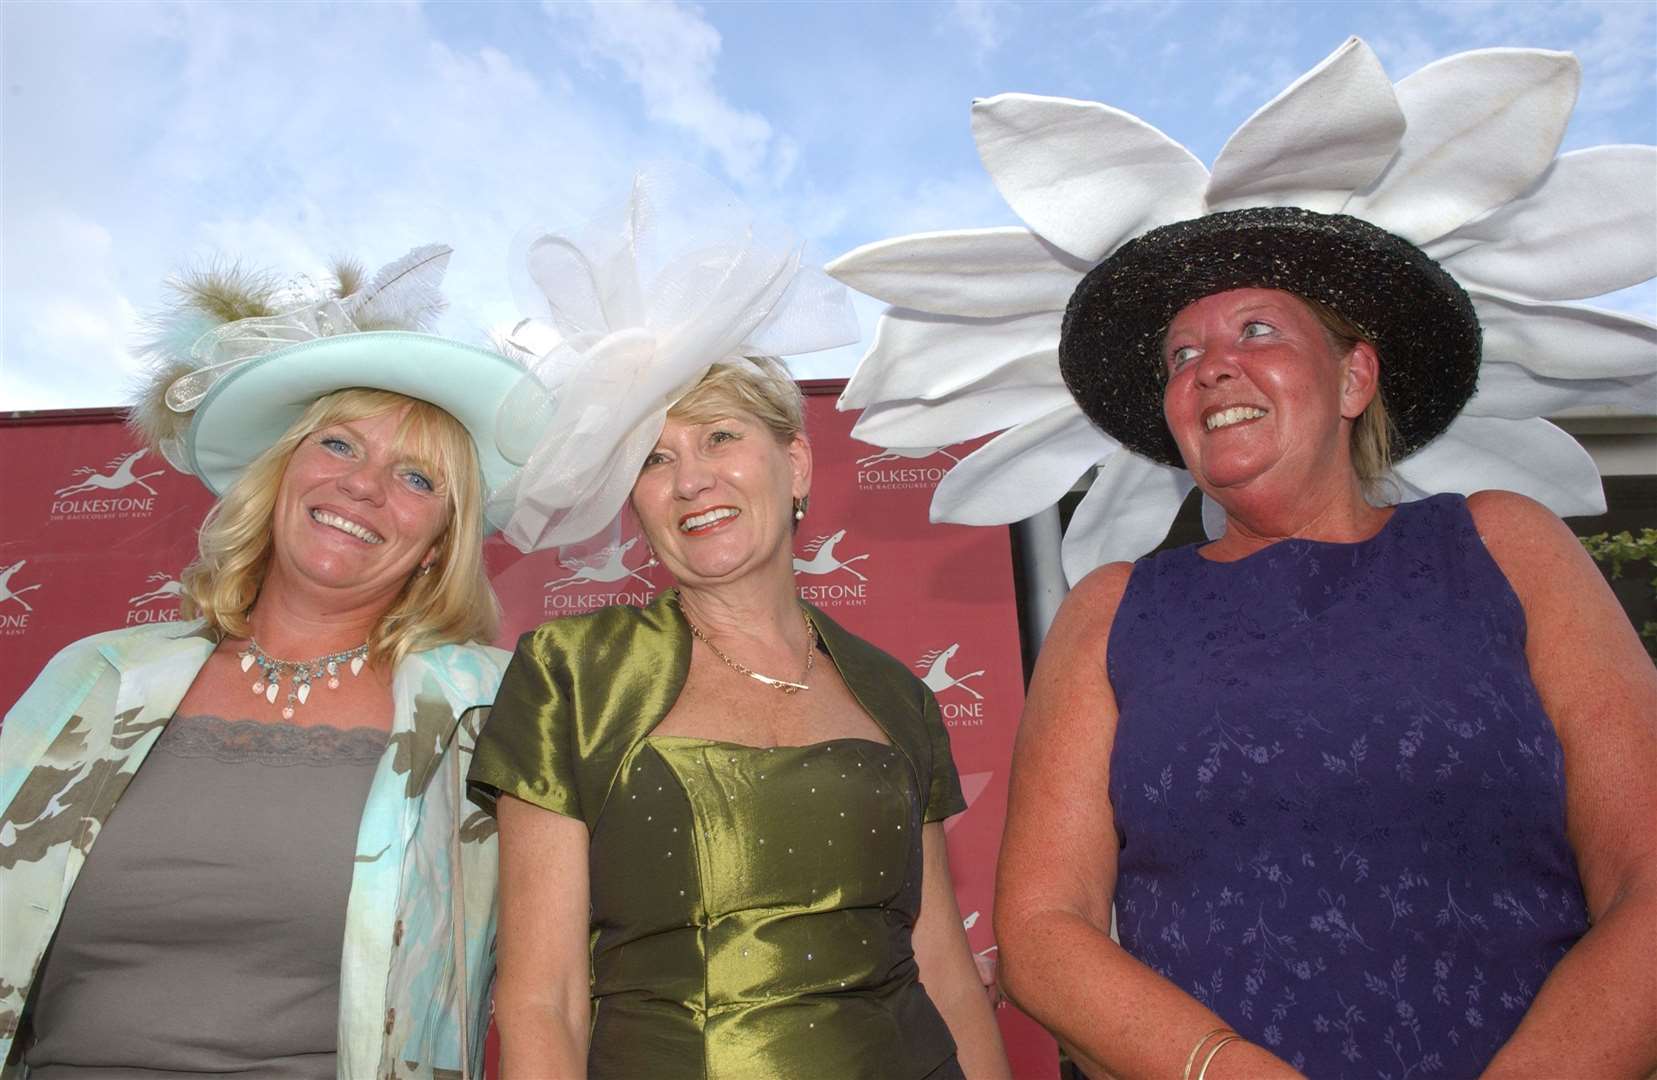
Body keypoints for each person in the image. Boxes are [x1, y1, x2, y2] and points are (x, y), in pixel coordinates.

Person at [821, 41, 1657, 1080]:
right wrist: (1222, 1067)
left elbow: (1646, 884)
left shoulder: (1506, 546)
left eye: (1257, 329)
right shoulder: (1114, 612)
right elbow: (1043, 929)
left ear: (1354, 376)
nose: (1211, 363)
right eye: (1180, 355)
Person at [467, 174, 1012, 1079]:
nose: (691, 481)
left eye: (719, 437)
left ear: (793, 464)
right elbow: (542, 998)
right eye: (653, 459)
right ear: (629, 502)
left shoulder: (899, 694)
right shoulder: (570, 671)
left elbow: (944, 966)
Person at [0, 246, 528, 1078]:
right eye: (340, 446)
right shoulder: (96, 678)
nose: (364, 487)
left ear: (438, 548)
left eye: (417, 478)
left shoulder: (489, 711)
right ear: (279, 473)